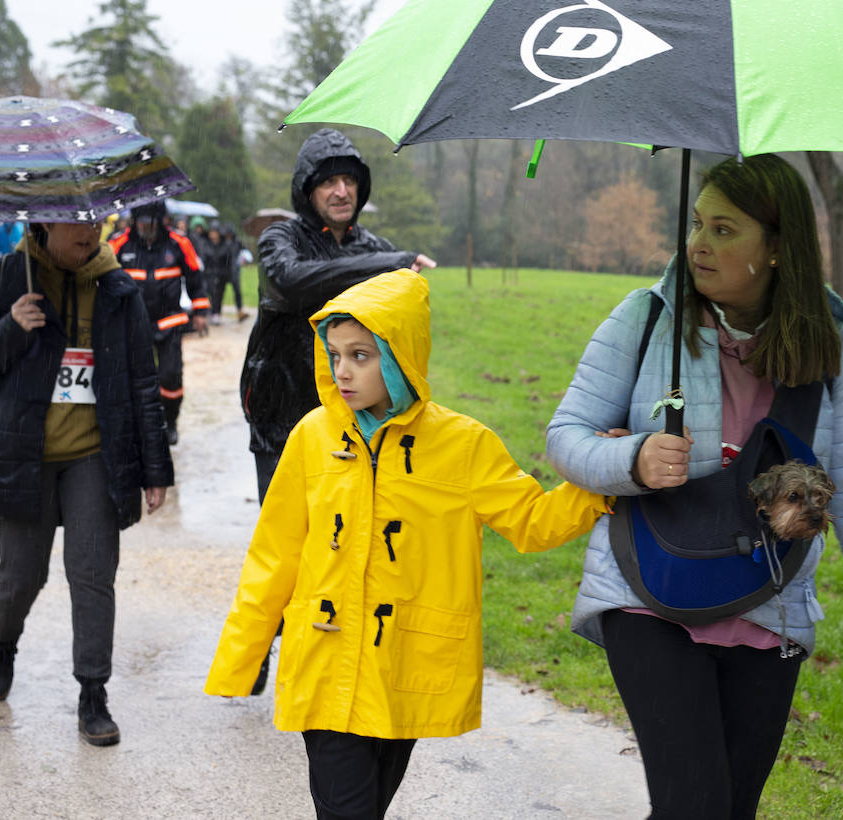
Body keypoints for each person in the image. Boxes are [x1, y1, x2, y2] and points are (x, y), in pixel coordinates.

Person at [546, 154, 843, 819]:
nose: (698, 244)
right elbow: (565, 436)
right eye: (697, 224)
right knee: (696, 805)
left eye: (724, 229)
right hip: (648, 591)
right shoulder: (646, 319)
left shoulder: (826, 352)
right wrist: (632, 461)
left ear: (776, 248)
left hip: (767, 603)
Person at [206, 270, 607, 818]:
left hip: (405, 671)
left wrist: (601, 477)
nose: (341, 370)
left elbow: (532, 520)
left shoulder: (463, 445)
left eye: (361, 355)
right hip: (325, 666)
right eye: (334, 353)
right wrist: (239, 658)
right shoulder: (312, 437)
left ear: (400, 357)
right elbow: (274, 555)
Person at [0, 219, 173, 747]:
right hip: (21, 454)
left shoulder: (119, 290)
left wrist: (156, 469)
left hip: (93, 455)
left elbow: (144, 378)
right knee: (21, 576)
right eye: (77, 221)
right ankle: (4, 642)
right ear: (45, 220)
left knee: (94, 573)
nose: (90, 231)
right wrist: (11, 326)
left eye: (97, 219)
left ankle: (93, 693)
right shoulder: (7, 276)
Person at [239, 128, 436, 695]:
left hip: (346, 418)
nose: (341, 190)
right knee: (282, 542)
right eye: (329, 181)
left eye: (349, 179)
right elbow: (293, 282)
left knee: (338, 541)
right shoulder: (283, 238)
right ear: (309, 190)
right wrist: (391, 263)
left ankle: (323, 654)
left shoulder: (370, 246)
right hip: (280, 413)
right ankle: (257, 641)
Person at [109, 201, 209, 446]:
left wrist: (201, 311)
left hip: (169, 320)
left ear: (161, 220)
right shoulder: (119, 244)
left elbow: (195, 276)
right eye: (141, 221)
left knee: (170, 375)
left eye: (150, 222)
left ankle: (170, 421)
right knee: (132, 376)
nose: (146, 227)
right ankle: (136, 423)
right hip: (131, 323)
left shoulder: (179, 243)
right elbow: (103, 279)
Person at [200, 225, 235, 324]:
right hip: (209, 274)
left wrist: (227, 274)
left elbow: (228, 261)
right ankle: (212, 312)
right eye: (211, 232)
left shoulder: (225, 245)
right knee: (211, 293)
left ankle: (217, 313)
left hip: (221, 274)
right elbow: (204, 259)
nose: (213, 234)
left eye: (215, 232)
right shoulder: (206, 244)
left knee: (219, 294)